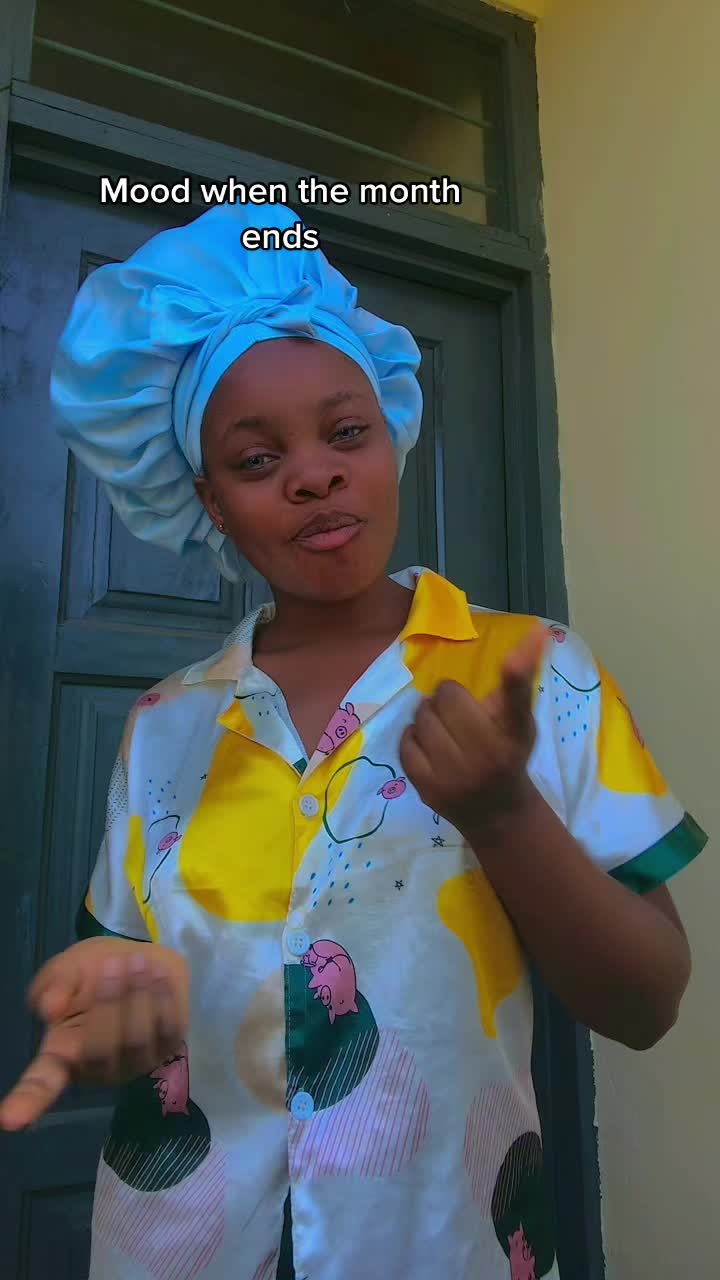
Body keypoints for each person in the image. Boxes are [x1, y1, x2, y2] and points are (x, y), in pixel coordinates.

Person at [0, 202, 707, 1280]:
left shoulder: (538, 670)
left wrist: (504, 814)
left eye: (345, 434)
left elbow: (646, 1002)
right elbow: (129, 995)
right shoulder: (164, 724)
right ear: (210, 503)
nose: (314, 474)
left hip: (445, 1244)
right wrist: (110, 1019)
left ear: (392, 439)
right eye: (256, 457)